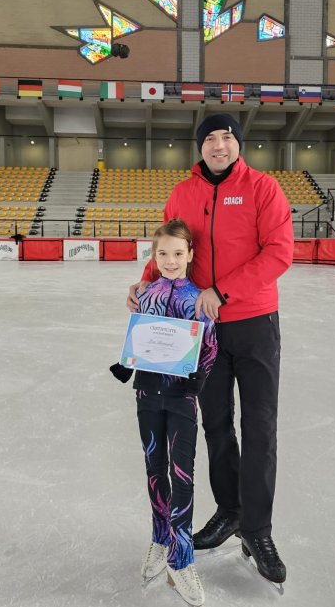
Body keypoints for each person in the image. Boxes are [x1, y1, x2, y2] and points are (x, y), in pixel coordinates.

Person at [127, 113, 294, 585]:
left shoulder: (263, 189)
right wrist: (145, 284)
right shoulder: (183, 193)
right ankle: (229, 511)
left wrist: (223, 291)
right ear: (199, 146)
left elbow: (279, 252)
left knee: (259, 427)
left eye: (227, 137)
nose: (219, 146)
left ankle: (257, 530)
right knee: (216, 425)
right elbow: (169, 248)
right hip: (202, 330)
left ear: (238, 143)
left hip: (255, 322)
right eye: (210, 139)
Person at [110, 219, 217, 607]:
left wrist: (198, 380)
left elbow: (210, 347)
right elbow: (140, 337)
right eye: (163, 254)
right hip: (148, 397)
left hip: (181, 399)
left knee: (182, 475)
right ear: (153, 257)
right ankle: (160, 537)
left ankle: (181, 558)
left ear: (190, 255)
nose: (170, 260)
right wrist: (128, 363)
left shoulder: (198, 299)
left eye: (177, 253)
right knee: (155, 469)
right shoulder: (145, 294)